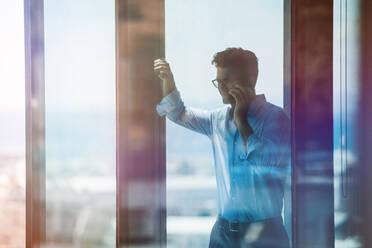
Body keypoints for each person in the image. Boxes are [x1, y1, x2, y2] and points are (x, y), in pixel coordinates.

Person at [153, 47, 290, 248]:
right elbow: (178, 113)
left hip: (264, 234)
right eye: (218, 81)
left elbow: (268, 162)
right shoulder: (217, 120)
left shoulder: (275, 118)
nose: (221, 87)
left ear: (251, 79)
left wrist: (242, 122)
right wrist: (169, 80)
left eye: (227, 80)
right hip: (223, 233)